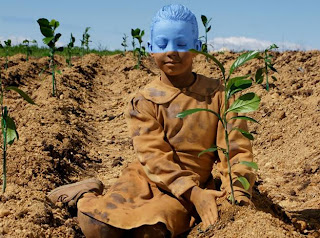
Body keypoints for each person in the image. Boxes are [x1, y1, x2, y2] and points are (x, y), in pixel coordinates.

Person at [48, 4, 255, 238]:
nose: (171, 51)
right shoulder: (144, 101)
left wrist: (238, 196)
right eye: (162, 43)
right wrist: (194, 194)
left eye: (181, 43)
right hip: (147, 179)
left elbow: (236, 151)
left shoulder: (218, 95)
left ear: (198, 48)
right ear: (150, 49)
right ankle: (85, 194)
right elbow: (153, 156)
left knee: (149, 232)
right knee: (98, 225)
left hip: (191, 188)